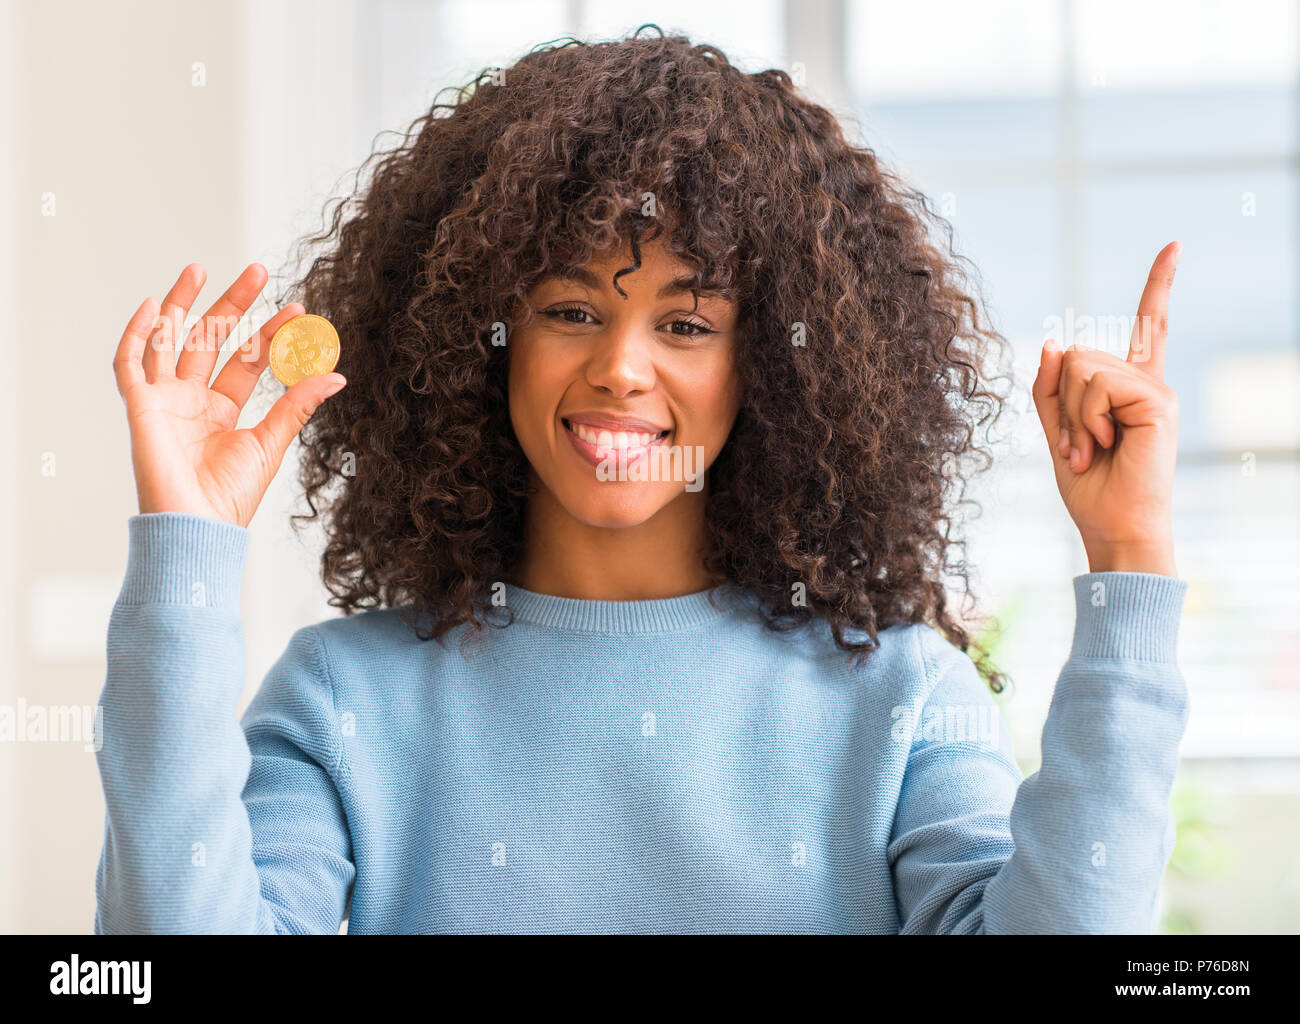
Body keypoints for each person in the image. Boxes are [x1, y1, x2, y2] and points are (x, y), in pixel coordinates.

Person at [95, 28, 1187, 933]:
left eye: (686, 323)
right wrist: (184, 560)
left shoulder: (900, 703)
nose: (620, 367)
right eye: (571, 309)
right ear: (486, 342)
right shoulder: (346, 701)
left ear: (770, 371)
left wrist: (1129, 561)